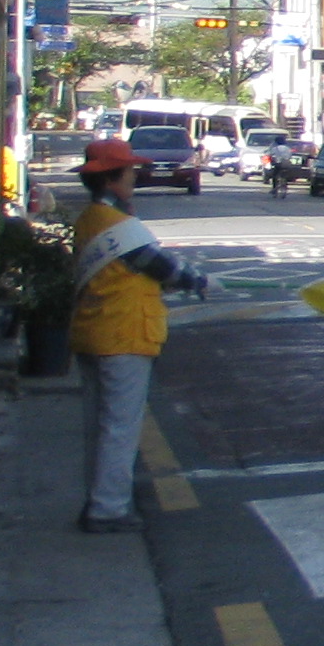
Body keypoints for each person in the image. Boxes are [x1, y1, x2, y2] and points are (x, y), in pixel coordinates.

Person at [66, 137, 210, 536]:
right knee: (119, 427)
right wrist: (197, 280)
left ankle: (98, 501)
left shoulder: (90, 219)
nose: (135, 176)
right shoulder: (119, 227)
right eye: (129, 171)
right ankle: (108, 509)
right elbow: (161, 266)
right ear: (112, 179)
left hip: (93, 333)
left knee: (98, 426)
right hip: (123, 335)